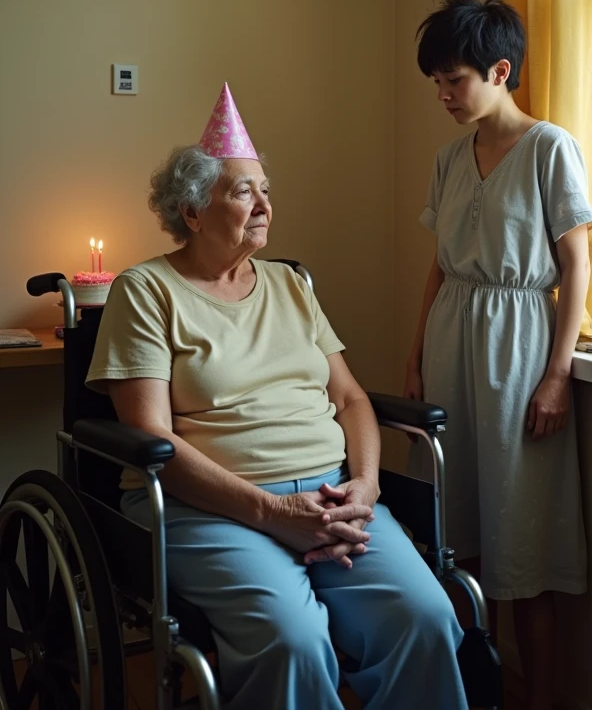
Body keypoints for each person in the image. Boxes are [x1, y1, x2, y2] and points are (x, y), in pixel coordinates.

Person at [87, 83, 468, 710]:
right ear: (192, 211)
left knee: (425, 616)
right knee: (294, 642)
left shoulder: (291, 284)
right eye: (243, 190)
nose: (264, 203)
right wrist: (270, 513)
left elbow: (349, 400)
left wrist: (366, 486)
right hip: (208, 508)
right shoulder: (146, 290)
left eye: (266, 189)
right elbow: (153, 439)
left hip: (333, 494)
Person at [404, 0, 592, 710]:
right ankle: (473, 692)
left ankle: (539, 698)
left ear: (500, 70)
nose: (445, 96)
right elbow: (441, 264)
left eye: (455, 80)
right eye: (439, 84)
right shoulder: (450, 159)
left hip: (520, 348)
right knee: (462, 531)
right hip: (454, 338)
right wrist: (418, 354)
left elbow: (575, 263)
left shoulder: (550, 147)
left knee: (525, 539)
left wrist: (555, 376)